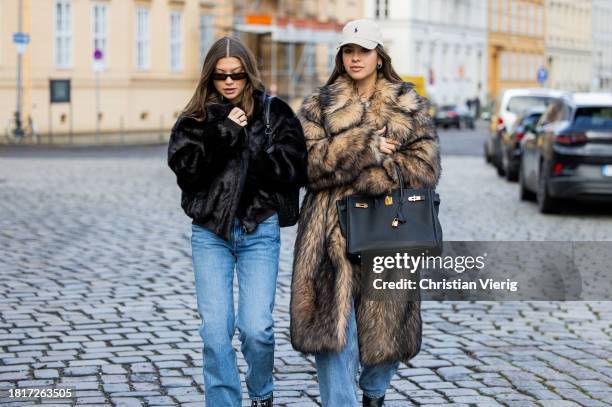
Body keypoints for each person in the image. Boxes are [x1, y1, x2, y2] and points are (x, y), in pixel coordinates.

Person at [290, 19, 441, 407]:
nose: (355, 58)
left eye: (363, 51)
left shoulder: (406, 102)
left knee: (386, 330)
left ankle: (374, 393)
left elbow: (426, 167)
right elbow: (307, 165)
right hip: (329, 233)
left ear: (379, 56)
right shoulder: (318, 105)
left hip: (388, 229)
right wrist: (367, 146)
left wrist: (380, 172)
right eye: (348, 51)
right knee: (334, 334)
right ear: (340, 57)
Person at [167, 36, 307, 407]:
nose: (229, 82)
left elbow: (294, 170)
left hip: (258, 231)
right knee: (215, 333)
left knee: (256, 329)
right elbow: (188, 174)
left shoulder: (274, 113)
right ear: (209, 78)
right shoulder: (194, 118)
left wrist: (250, 144)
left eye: (237, 75)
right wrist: (224, 134)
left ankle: (261, 391)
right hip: (210, 234)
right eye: (220, 76)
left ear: (249, 75)